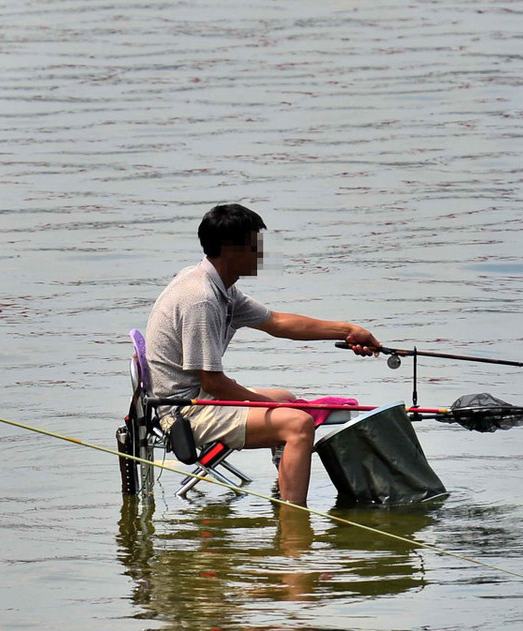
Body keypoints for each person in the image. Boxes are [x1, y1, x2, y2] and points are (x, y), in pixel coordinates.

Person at [145, 203, 380, 505]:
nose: (261, 255)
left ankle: (284, 493)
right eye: (254, 247)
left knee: (286, 399)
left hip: (197, 396)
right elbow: (214, 383)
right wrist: (265, 403)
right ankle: (295, 521)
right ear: (230, 249)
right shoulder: (200, 300)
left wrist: (348, 330)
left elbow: (278, 323)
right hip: (185, 411)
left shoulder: (220, 287)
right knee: (298, 424)